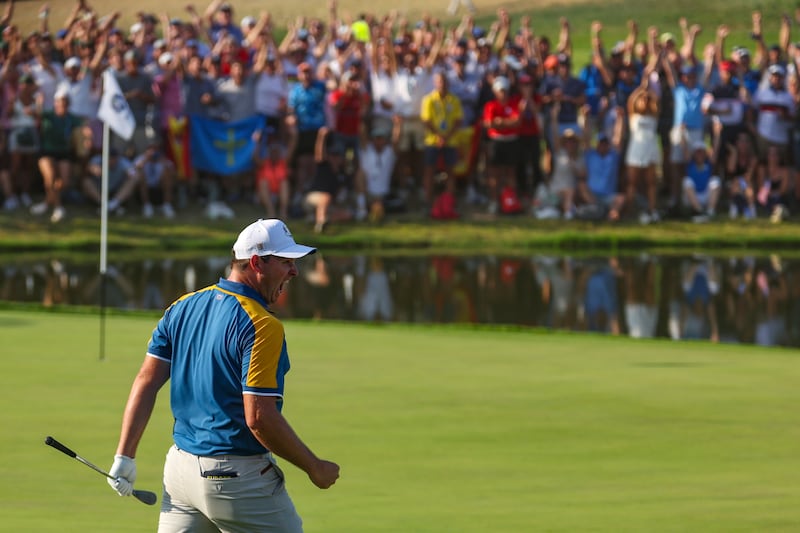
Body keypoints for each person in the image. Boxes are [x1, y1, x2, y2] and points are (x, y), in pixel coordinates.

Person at [107, 218, 340, 532]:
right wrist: (314, 467)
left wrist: (125, 455)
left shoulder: (182, 306)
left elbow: (146, 381)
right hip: (237, 479)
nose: (295, 271)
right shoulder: (262, 325)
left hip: (180, 472)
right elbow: (258, 417)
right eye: (286, 262)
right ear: (256, 263)